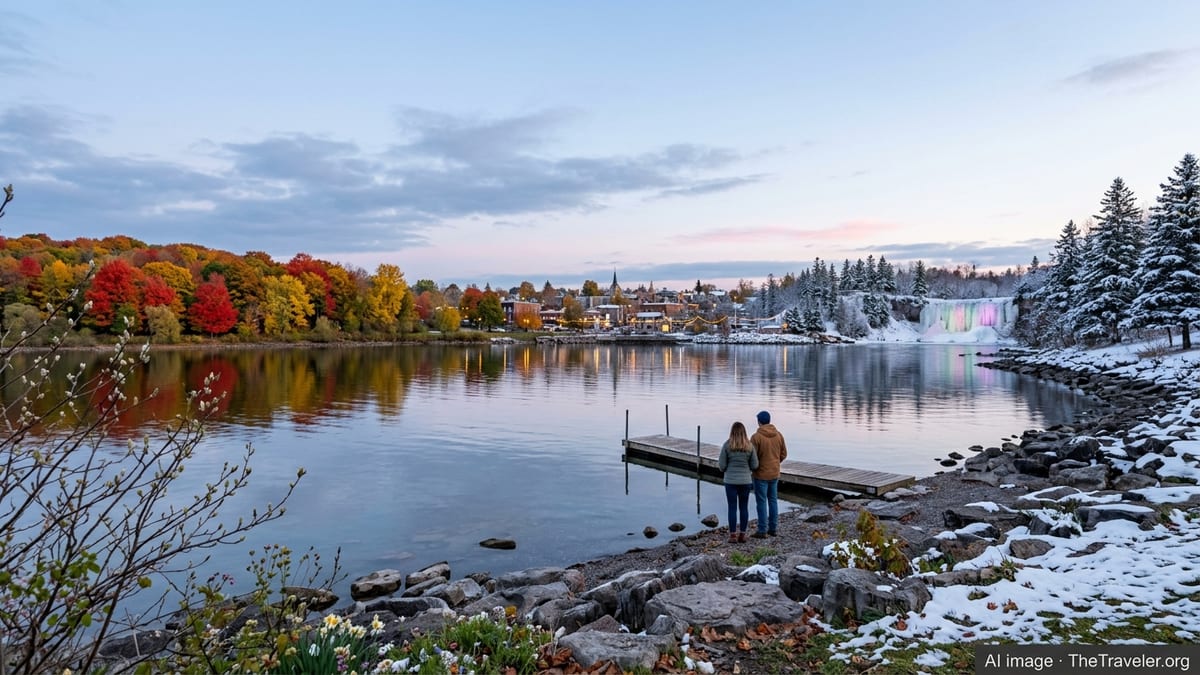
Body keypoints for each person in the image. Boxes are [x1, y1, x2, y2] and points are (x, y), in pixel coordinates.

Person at [718, 421, 758, 543]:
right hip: (745, 481)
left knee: (732, 507)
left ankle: (732, 536)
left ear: (732, 432)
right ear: (744, 432)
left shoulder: (727, 445)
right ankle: (743, 535)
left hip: (730, 481)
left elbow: (722, 466)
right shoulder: (750, 446)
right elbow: (755, 465)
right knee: (744, 507)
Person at [750, 410, 787, 538]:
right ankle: (773, 528)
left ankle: (762, 530)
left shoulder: (756, 437)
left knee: (761, 502)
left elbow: (752, 458)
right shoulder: (779, 435)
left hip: (760, 475)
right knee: (773, 500)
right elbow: (784, 454)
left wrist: (754, 469)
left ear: (759, 421)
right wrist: (776, 463)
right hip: (774, 473)